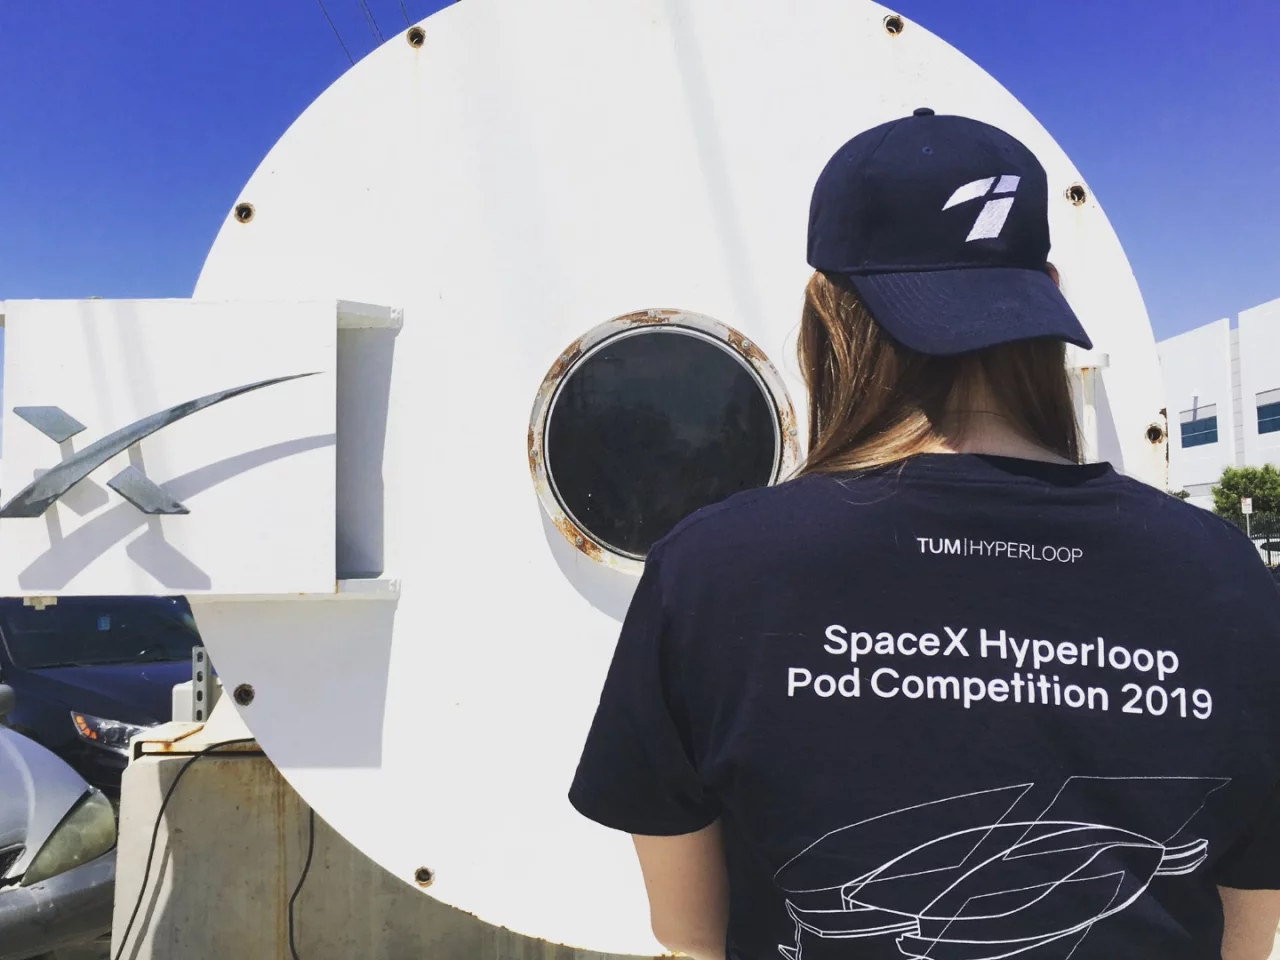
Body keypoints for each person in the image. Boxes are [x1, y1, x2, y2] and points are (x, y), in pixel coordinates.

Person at [569, 109, 1280, 960]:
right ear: (1049, 294)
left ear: (825, 310)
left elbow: (689, 930)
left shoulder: (711, 570)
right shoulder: (1222, 572)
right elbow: (1245, 934)